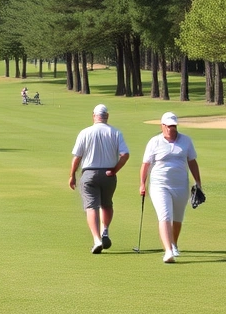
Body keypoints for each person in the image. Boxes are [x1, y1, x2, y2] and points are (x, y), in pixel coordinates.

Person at [139, 112, 202, 264]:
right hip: (159, 185)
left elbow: (192, 162)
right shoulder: (154, 142)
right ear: (162, 126)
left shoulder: (186, 141)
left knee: (178, 218)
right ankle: (168, 251)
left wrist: (198, 182)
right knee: (165, 216)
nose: (171, 129)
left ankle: (174, 244)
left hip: (181, 185)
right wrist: (142, 183)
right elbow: (146, 164)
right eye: (168, 126)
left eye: (173, 126)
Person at [69, 104, 130, 253]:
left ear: (93, 116)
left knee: (91, 206)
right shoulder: (116, 132)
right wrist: (115, 170)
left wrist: (72, 175)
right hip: (108, 174)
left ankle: (96, 239)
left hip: (89, 173)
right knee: (107, 204)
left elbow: (77, 157)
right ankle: (105, 231)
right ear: (107, 116)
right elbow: (125, 155)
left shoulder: (85, 132)